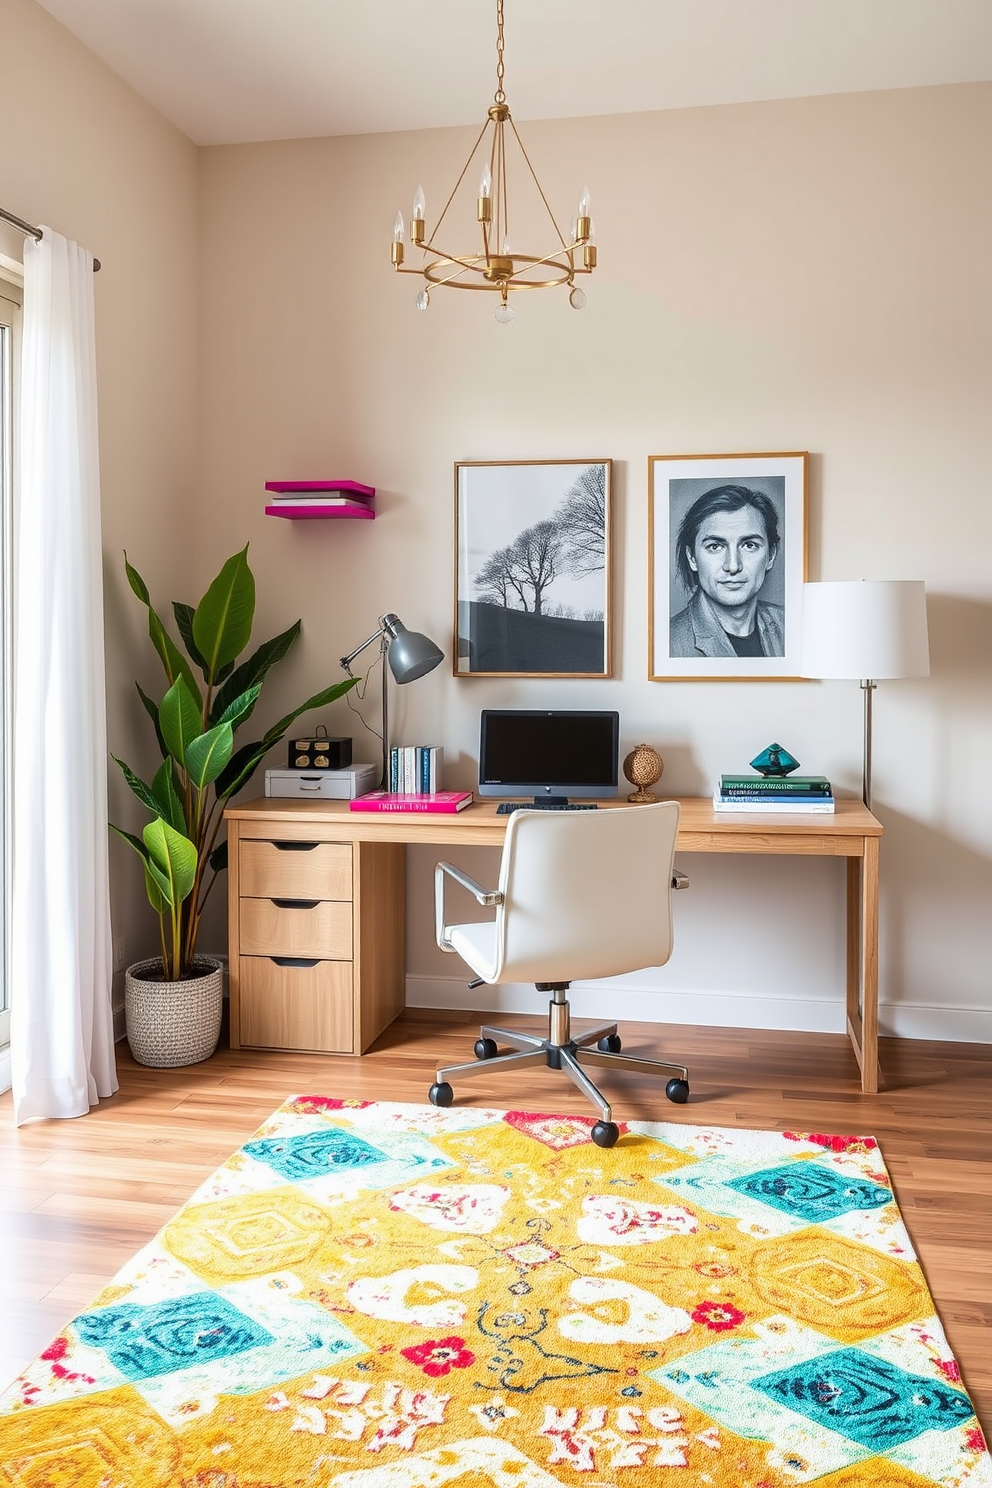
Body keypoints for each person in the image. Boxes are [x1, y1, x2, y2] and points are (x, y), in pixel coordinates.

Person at [669, 484, 784, 658]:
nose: (733, 566)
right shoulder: (668, 643)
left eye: (749, 545)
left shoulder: (793, 626)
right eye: (715, 546)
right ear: (692, 557)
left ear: (771, 555)